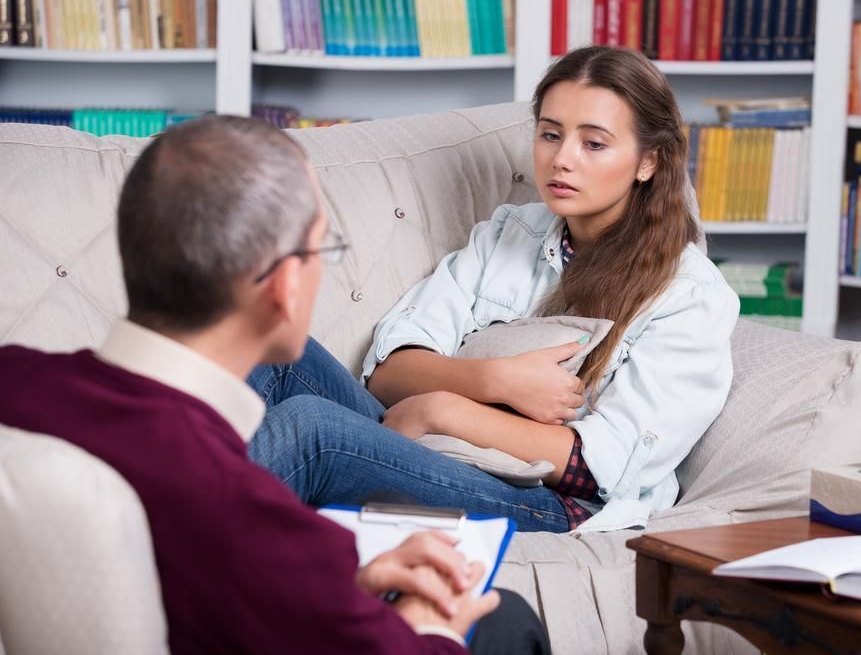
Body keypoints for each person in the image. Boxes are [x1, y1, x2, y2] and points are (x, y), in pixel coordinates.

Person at [0, 116, 549, 654]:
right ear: (285, 285)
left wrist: (339, 595)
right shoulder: (256, 525)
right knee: (505, 621)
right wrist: (430, 631)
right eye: (321, 250)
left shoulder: (14, 380)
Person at [247, 45, 740, 535]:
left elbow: (603, 466)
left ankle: (176, 553)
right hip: (428, 444)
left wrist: (444, 407)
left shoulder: (689, 295)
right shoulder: (510, 232)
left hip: (549, 499)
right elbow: (388, 372)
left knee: (312, 429)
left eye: (594, 143)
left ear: (647, 163)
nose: (561, 160)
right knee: (264, 339)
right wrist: (496, 381)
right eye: (550, 134)